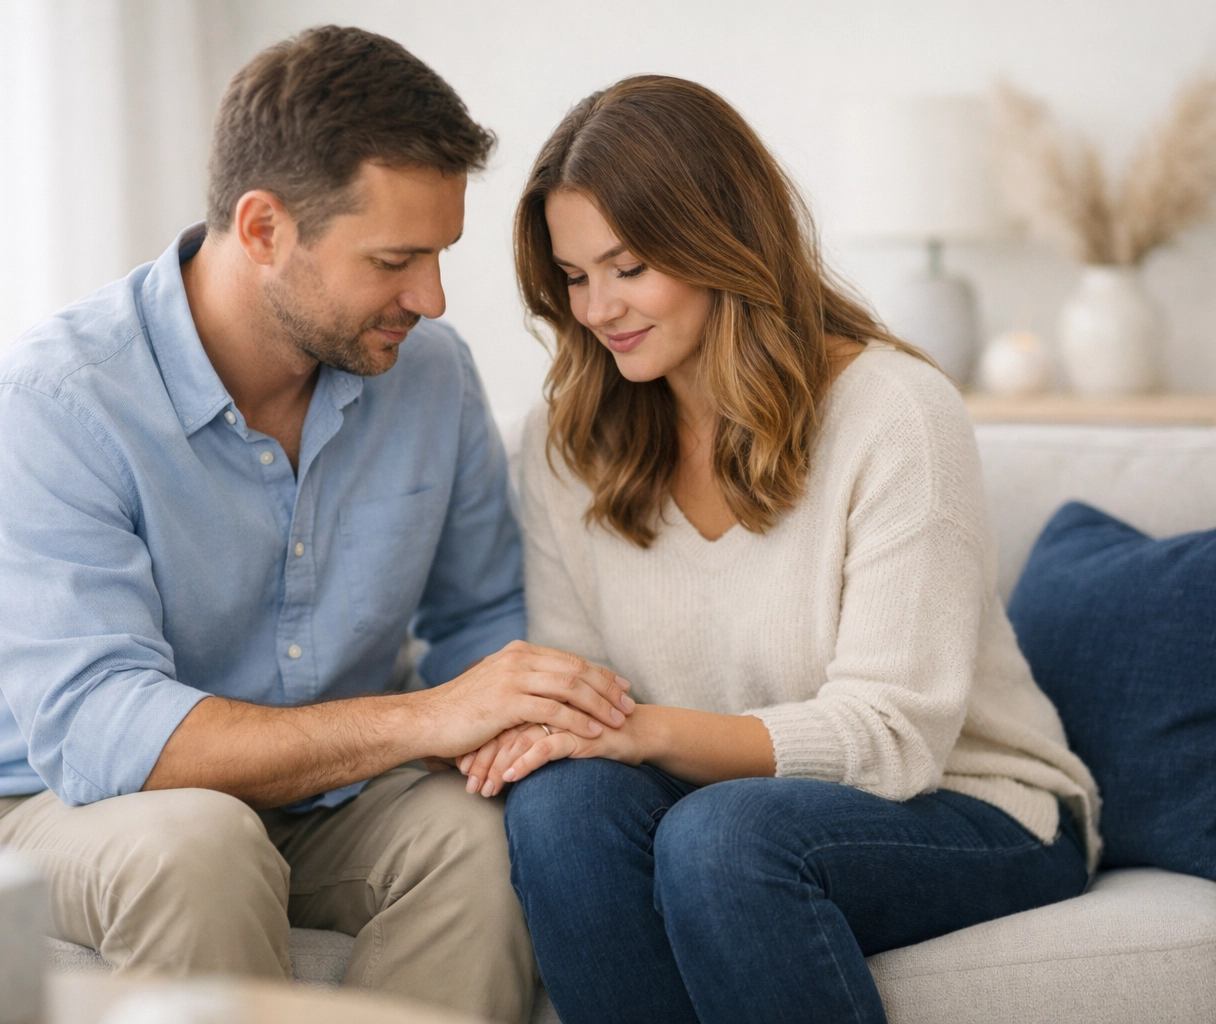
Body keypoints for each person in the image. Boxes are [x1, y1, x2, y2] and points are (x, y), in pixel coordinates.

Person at [0, 27, 636, 1024]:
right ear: (262, 228)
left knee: (481, 835)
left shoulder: (431, 376)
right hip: (40, 807)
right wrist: (423, 717)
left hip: (327, 798)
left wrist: (507, 720)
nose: (431, 297)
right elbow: (104, 736)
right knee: (200, 842)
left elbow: (481, 615)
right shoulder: (52, 403)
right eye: (395, 259)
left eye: (439, 256)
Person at [458, 76, 1103, 1024]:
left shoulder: (895, 413)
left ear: (720, 240)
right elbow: (582, 695)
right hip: (712, 809)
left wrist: (649, 732)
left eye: (629, 266)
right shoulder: (567, 443)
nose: (597, 308)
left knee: (722, 842)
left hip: (970, 803)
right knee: (561, 811)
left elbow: (895, 736)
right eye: (575, 275)